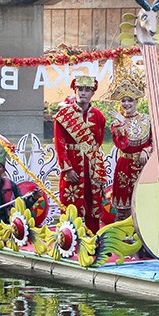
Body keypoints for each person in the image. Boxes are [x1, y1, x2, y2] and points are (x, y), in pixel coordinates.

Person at [54, 75, 107, 234]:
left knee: (92, 204)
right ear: (75, 91)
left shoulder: (99, 116)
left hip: (91, 166)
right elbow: (59, 144)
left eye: (87, 90)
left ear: (93, 93)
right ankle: (67, 238)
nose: (83, 93)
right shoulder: (64, 115)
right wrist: (67, 169)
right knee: (70, 203)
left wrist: (97, 169)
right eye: (80, 89)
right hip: (73, 166)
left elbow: (97, 143)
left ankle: (93, 239)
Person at [107, 60, 152, 222]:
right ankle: (123, 237)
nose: (127, 104)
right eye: (123, 100)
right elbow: (123, 145)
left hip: (144, 167)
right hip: (124, 167)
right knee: (123, 207)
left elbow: (155, 141)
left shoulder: (147, 119)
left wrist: (146, 151)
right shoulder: (116, 123)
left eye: (130, 100)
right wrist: (121, 122)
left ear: (137, 101)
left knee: (144, 205)